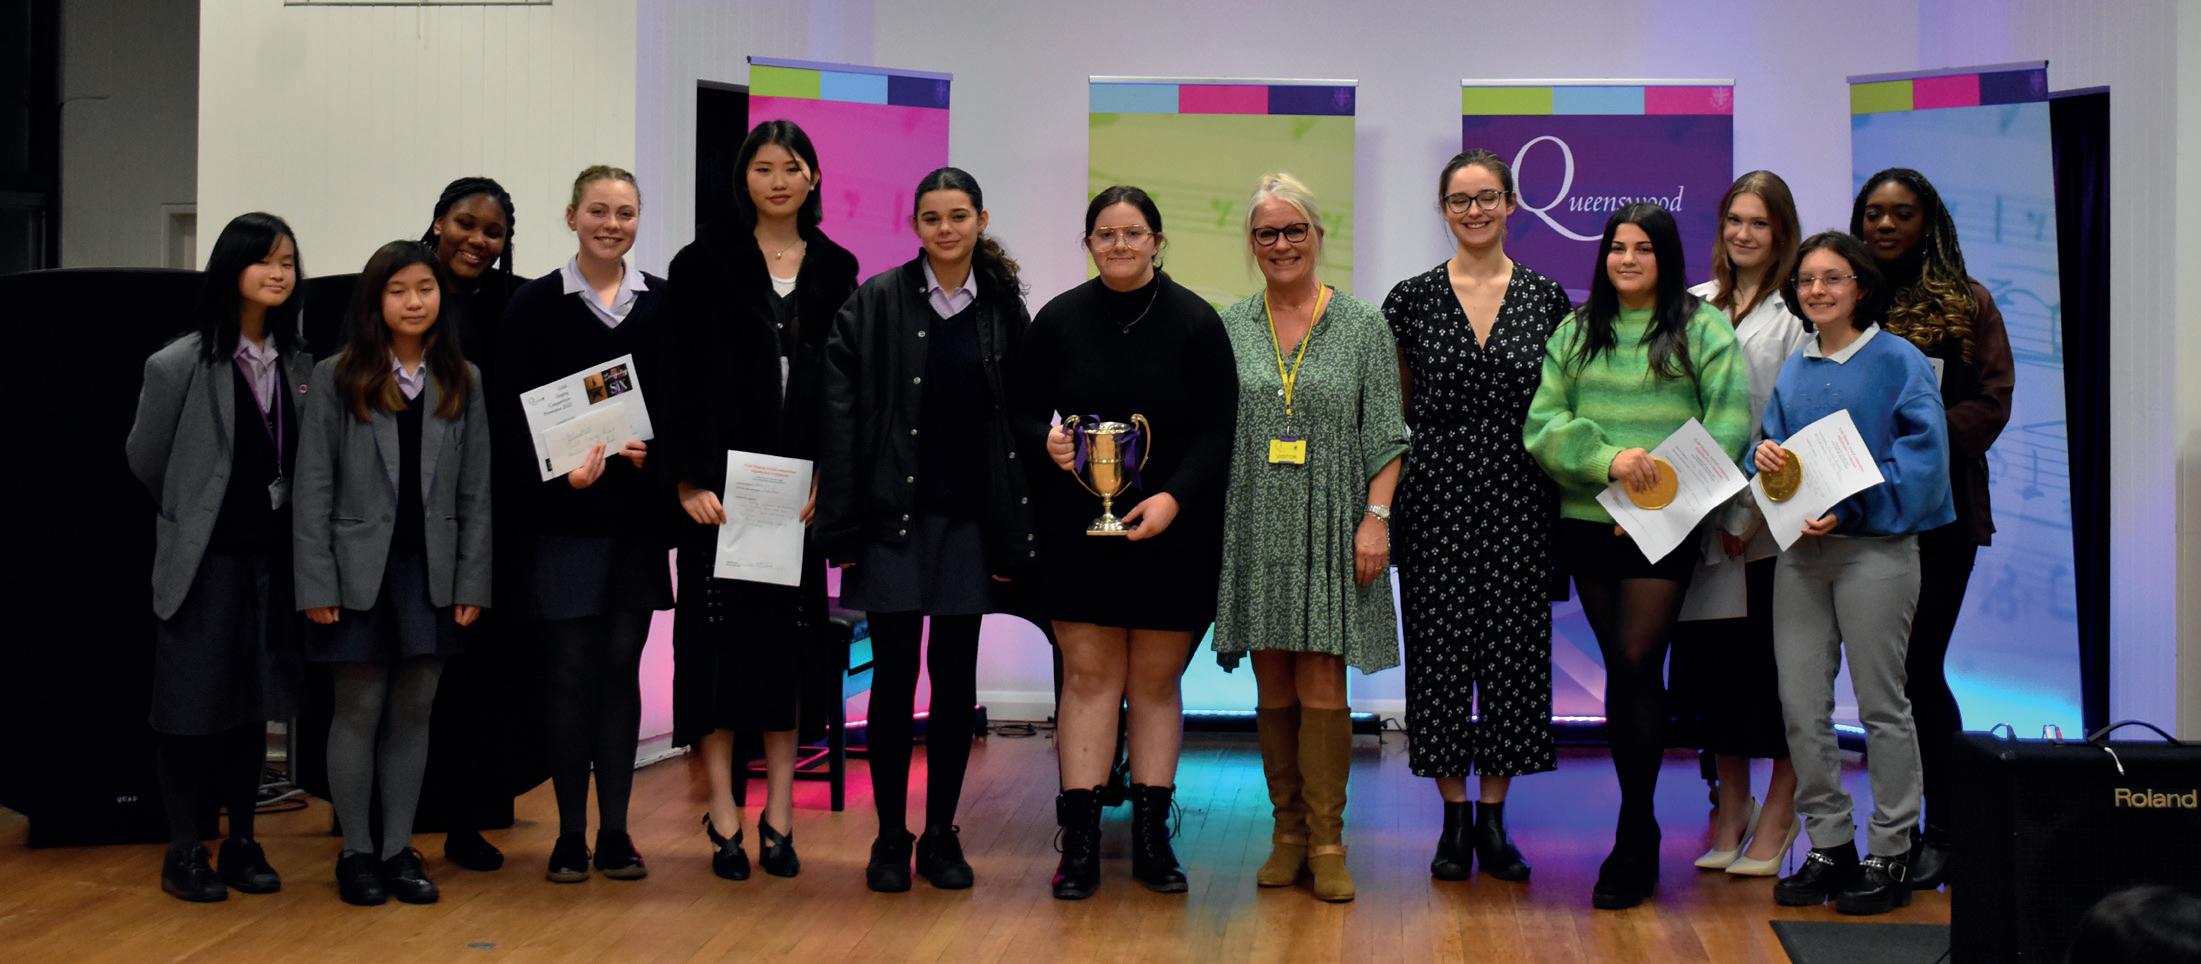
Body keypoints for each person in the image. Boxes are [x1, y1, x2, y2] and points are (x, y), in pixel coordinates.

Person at [1523, 202, 1750, 910]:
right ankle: (1638, 826)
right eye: (1617, 248)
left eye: (1642, 249)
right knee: (1624, 670)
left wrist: (1656, 499)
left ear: (1665, 257)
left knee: (1635, 661)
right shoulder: (1575, 329)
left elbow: (1729, 421)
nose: (1626, 260)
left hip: (1665, 525)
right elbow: (1544, 423)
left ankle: (1635, 829)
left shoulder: (1702, 328)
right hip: (1589, 521)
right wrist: (1609, 461)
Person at [1014, 185, 1237, 899]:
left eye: (1132, 233)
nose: (1118, 245)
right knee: (1087, 680)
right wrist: (1047, 441)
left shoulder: (1196, 322)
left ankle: (1151, 839)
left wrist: (1173, 498)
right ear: (1088, 244)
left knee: (1154, 684)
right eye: (1105, 234)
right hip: (1078, 532)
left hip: (1175, 529)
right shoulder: (1057, 319)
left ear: (1156, 242)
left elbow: (1219, 430)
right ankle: (1078, 844)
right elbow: (1020, 412)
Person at [816, 167, 1035, 893]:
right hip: (891, 521)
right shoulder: (875, 300)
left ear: (980, 220)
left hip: (969, 523)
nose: (945, 228)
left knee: (953, 682)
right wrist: (842, 523)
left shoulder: (1003, 307)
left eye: (958, 216)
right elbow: (839, 416)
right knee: (891, 683)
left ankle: (941, 834)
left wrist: (1017, 526)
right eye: (932, 218)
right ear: (915, 225)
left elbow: (1021, 418)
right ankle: (890, 836)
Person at [665, 120, 859, 881]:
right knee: (713, 657)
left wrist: (830, 477)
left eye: (791, 167)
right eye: (763, 168)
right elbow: (677, 377)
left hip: (795, 500)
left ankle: (780, 813)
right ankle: (722, 811)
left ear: (813, 177)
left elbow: (848, 387)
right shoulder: (700, 262)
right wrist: (686, 479)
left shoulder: (838, 267)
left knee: (787, 656)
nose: (778, 181)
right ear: (743, 177)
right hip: (716, 496)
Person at [1214, 173, 1408, 904]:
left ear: (1318, 236)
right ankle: (1286, 835)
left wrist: (1375, 520)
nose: (1281, 244)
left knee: (1323, 679)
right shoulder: (1230, 326)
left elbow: (1386, 434)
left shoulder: (1362, 324)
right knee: (1271, 679)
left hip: (1334, 522)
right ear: (1251, 244)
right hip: (1254, 519)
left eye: (1294, 230)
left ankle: (1328, 841)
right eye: (1266, 233)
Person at [1381, 150, 1569, 884]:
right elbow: (1396, 406)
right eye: (1459, 200)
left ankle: (1495, 818)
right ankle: (1452, 819)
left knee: (1514, 660)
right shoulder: (1411, 299)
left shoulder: (1547, 298)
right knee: (1438, 657)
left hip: (1522, 499)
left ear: (1511, 203)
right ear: (1443, 210)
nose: (1474, 211)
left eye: (1487, 197)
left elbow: (1561, 405)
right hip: (1434, 500)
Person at [1759, 230, 1953, 915]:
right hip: (1801, 557)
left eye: (1832, 278)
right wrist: (1765, 459)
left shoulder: (1898, 360)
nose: (1817, 290)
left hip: (1876, 552)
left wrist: (1848, 509)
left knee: (1880, 704)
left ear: (1861, 286)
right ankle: (1830, 845)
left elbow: (1924, 461)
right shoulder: (1794, 368)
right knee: (1800, 707)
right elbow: (1774, 447)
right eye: (1806, 280)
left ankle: (1892, 850)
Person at [294, 240, 492, 906]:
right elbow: (312, 487)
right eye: (399, 290)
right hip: (354, 574)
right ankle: (356, 851)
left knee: (414, 713)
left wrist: (471, 581)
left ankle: (398, 849)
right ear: (375, 300)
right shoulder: (337, 375)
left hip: (430, 574)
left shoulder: (462, 379)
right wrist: (316, 583)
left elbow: (476, 492)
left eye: (425, 289)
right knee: (357, 710)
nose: (414, 302)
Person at [126, 212, 313, 902]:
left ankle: (242, 842)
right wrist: (198, 510)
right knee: (189, 708)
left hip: (273, 561)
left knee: (253, 707)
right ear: (231, 268)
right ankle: (184, 849)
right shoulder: (178, 363)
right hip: (204, 563)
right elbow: (146, 458)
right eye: (265, 260)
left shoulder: (299, 364)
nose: (278, 273)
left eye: (288, 262)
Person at [495, 165, 672, 883]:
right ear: (572, 217)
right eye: (598, 210)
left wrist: (655, 454)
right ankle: (570, 834)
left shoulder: (663, 303)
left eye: (625, 213)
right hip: (562, 525)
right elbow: (508, 417)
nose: (611, 224)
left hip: (634, 523)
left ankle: (618, 833)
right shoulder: (534, 304)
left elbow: (684, 407)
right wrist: (558, 473)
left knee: (620, 673)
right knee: (568, 674)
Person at [1849, 168, 2013, 891]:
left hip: (1941, 516)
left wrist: (1912, 443)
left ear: (1929, 222)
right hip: (1858, 514)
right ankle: (1894, 831)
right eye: (1873, 212)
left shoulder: (1967, 302)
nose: (1885, 225)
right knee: (1878, 681)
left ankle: (1947, 831)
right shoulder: (1843, 299)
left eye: (1902, 212)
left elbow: (1992, 402)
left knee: (1919, 670)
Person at [1675, 171, 1811, 876]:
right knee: (1716, 674)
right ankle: (1732, 808)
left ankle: (1782, 811)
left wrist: (1750, 512)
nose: (1744, 234)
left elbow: (1793, 424)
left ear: (1781, 232)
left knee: (1776, 672)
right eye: (1735, 220)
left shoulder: (1799, 312)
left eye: (1759, 223)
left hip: (1769, 522)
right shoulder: (1693, 303)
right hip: (1695, 518)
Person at [413, 175, 536, 874]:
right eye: (465, 223)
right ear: (438, 221)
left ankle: (465, 821)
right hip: (413, 517)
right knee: (408, 676)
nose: (477, 240)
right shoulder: (403, 291)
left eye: (493, 232)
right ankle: (389, 830)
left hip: (494, 516)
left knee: (478, 682)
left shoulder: (516, 304)